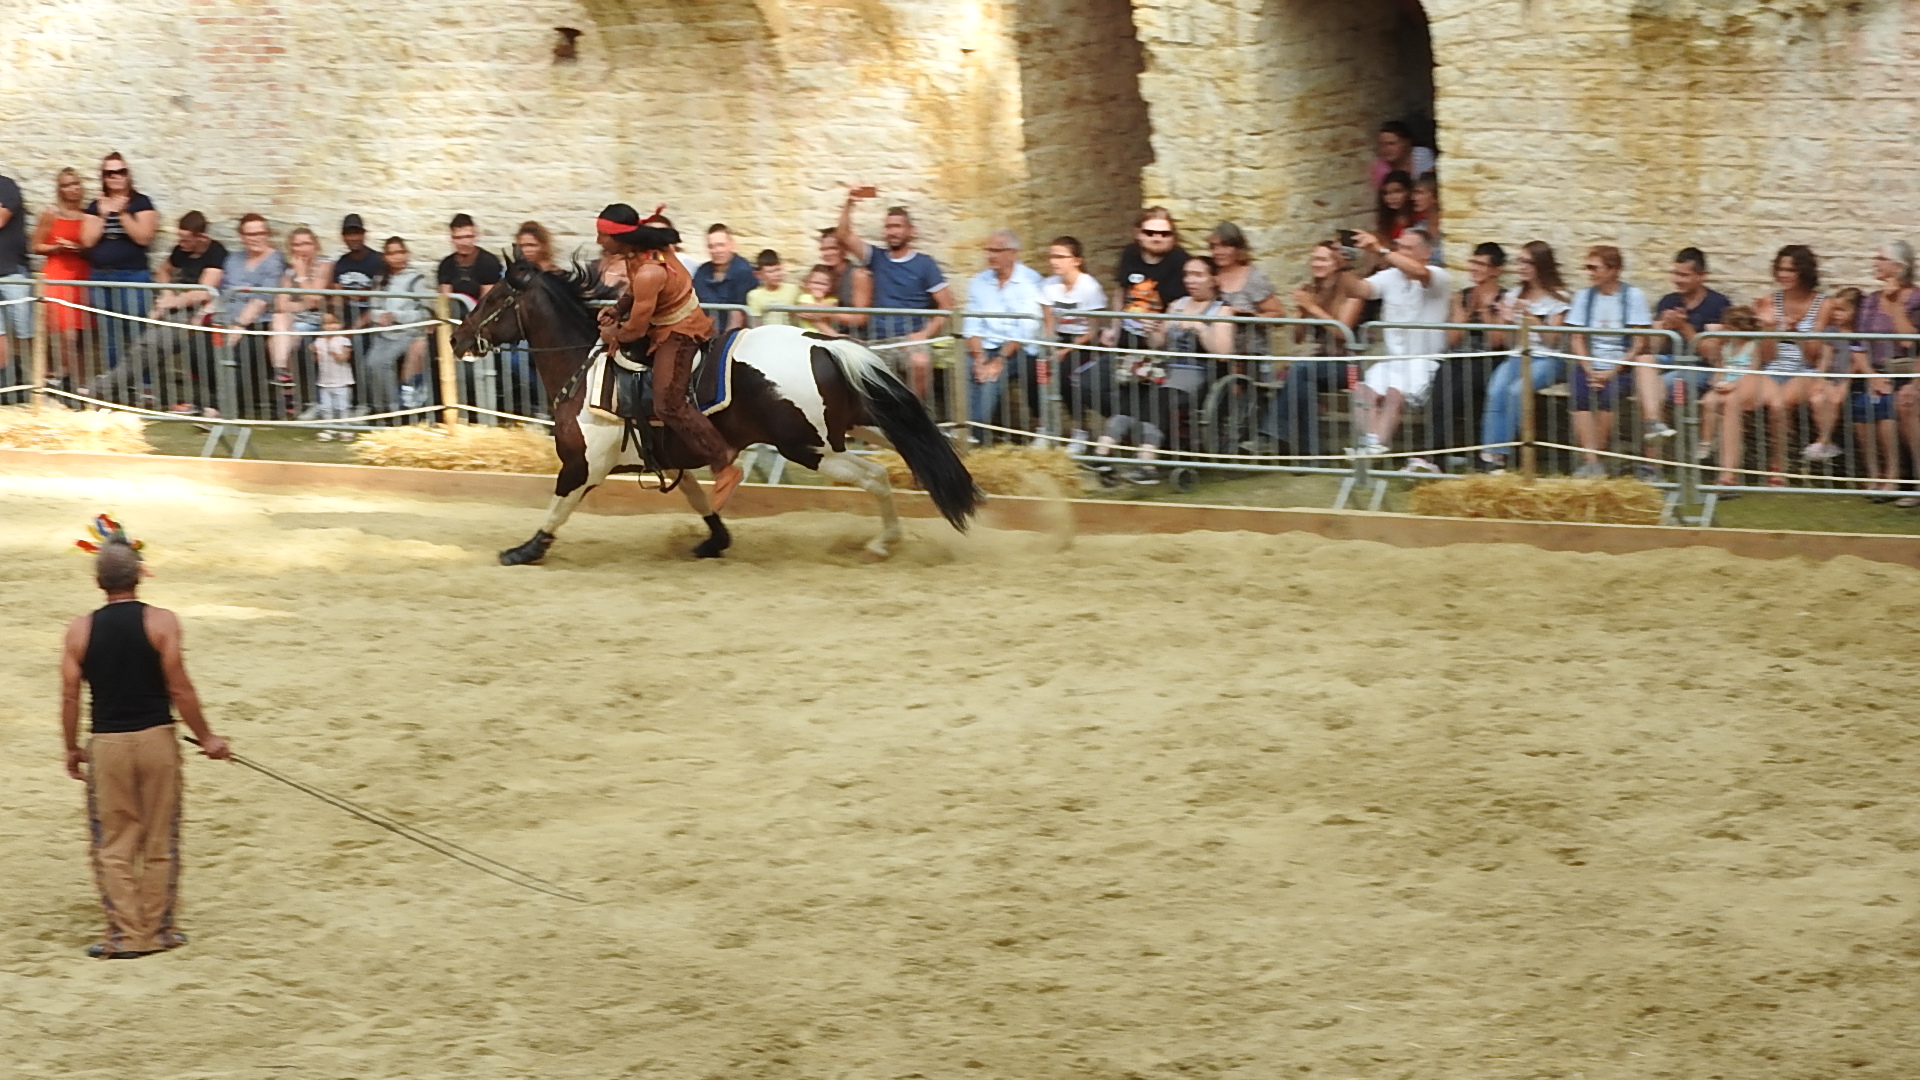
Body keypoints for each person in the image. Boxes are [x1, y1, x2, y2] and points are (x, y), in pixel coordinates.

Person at [60, 528, 231, 959]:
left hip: (108, 744)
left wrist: (71, 747)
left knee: (115, 843)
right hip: (157, 739)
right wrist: (207, 737)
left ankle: (125, 935)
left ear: (99, 582)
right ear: (140, 576)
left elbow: (69, 694)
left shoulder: (79, 630)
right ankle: (158, 932)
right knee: (160, 838)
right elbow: (181, 689)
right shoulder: (162, 622)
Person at [595, 203, 744, 509]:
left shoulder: (651, 270)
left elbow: (636, 329)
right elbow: (634, 293)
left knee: (667, 402)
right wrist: (619, 309)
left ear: (620, 237)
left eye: (603, 235)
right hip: (661, 324)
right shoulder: (637, 255)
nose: (599, 242)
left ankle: (723, 464)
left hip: (681, 331)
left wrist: (614, 334)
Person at [1096, 256, 1232, 481]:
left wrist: (1200, 328)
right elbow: (1157, 343)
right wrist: (1150, 330)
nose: (1191, 280)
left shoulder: (1222, 311)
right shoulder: (1177, 305)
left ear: (1213, 279)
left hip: (1197, 373)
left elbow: (1223, 353)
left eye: (1198, 275)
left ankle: (1147, 463)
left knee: (1160, 397)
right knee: (1133, 395)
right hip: (1167, 370)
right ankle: (1102, 452)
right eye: (1188, 274)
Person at [89, 211, 226, 412]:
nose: (181, 243)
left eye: (186, 239)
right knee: (143, 348)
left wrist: (172, 302)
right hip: (175, 309)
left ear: (201, 237)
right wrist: (167, 291)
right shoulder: (182, 250)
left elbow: (205, 292)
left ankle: (99, 391)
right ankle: (115, 392)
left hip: (198, 315)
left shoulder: (216, 253)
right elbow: (162, 271)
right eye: (179, 237)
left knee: (146, 347)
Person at [836, 191, 954, 399]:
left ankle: (914, 417)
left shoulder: (925, 264)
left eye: (898, 226)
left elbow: (946, 306)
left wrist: (923, 335)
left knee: (920, 362)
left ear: (910, 231)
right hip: (878, 340)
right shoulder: (877, 257)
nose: (892, 232)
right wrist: (849, 203)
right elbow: (844, 236)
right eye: (889, 227)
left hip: (910, 341)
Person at [1348, 225, 1452, 458]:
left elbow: (1420, 273)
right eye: (1400, 246)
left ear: (1426, 253)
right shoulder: (1389, 276)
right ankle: (1372, 444)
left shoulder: (1439, 276)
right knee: (1361, 392)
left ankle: (1372, 447)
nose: (1401, 251)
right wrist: (1344, 266)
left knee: (1395, 394)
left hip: (1424, 362)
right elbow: (1360, 289)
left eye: (1408, 247)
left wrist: (1382, 250)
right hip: (1392, 361)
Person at [1479, 240, 1571, 469]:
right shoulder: (1514, 294)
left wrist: (1529, 316)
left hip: (1548, 357)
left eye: (1526, 262)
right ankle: (1490, 457)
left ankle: (1503, 452)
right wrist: (1508, 322)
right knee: (1496, 390)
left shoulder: (1559, 297)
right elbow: (1508, 342)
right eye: (1519, 261)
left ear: (1540, 264)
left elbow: (1554, 340)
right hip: (1519, 354)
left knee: (1517, 391)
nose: (1520, 266)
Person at [1628, 248, 1731, 447]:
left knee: (1648, 389)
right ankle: (1653, 423)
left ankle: (1651, 462)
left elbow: (1713, 354)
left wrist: (1684, 327)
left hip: (1699, 368)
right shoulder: (1668, 301)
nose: (1677, 279)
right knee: (1643, 361)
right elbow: (1653, 348)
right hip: (1670, 360)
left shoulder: (1718, 304)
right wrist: (1662, 328)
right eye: (1675, 273)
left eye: (1684, 275)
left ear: (1702, 276)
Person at [1273, 240, 1366, 459]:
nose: (1317, 263)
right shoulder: (1311, 290)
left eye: (1323, 259)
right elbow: (1297, 338)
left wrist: (1311, 307)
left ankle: (1276, 433)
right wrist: (1301, 313)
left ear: (1336, 263)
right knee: (1302, 382)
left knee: (1300, 370)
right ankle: (1311, 453)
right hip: (1318, 365)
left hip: (1351, 368)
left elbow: (1343, 332)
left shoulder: (1351, 288)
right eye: (1314, 258)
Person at [1565, 245, 1652, 477]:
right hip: (1590, 362)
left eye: (1594, 268)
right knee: (1579, 395)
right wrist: (1590, 369)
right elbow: (1577, 338)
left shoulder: (1632, 296)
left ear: (1613, 270)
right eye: (1588, 267)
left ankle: (1594, 459)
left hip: (1621, 364)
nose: (1589, 272)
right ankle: (1592, 460)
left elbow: (1638, 342)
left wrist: (1612, 371)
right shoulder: (1585, 296)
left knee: (1609, 397)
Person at [1752, 245, 1836, 480]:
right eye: (1780, 269)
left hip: (1806, 371)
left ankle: (1779, 466)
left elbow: (1813, 357)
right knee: (1728, 398)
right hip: (1773, 369)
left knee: (1778, 404)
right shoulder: (1770, 301)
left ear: (1804, 272)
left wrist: (1797, 332)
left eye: (1790, 270)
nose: (1783, 275)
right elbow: (1767, 358)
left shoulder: (1823, 303)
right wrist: (1768, 328)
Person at [961, 229, 1045, 438]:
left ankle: (975, 435)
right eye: (988, 250)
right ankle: (969, 432)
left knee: (991, 378)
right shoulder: (979, 281)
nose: (991, 255)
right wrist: (979, 359)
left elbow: (1023, 331)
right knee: (966, 369)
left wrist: (998, 360)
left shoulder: (1030, 281)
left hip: (1018, 349)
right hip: (986, 346)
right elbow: (971, 324)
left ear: (1013, 253)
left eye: (997, 251)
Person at [80, 152, 160, 373]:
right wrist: (105, 215)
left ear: (128, 175)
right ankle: (114, 389)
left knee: (137, 333)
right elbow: (87, 240)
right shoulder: (95, 205)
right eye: (110, 173)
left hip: (132, 276)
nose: (116, 176)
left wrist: (122, 212)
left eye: (120, 171)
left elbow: (144, 237)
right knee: (109, 335)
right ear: (103, 177)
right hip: (101, 276)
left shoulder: (141, 202)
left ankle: (144, 387)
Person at [1433, 242, 1510, 463]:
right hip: (1460, 355)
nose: (1475, 268)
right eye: (1473, 262)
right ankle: (1433, 456)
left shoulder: (1504, 298)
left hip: (1488, 359)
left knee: (1455, 391)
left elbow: (1497, 340)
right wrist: (1465, 310)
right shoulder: (1462, 296)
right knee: (1439, 390)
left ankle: (1439, 457)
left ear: (1496, 270)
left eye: (1482, 265)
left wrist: (1485, 308)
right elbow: (1453, 338)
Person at [1039, 235, 1108, 451]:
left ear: (1076, 260)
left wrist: (1065, 351)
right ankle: (1045, 427)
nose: (1054, 261)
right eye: (1052, 256)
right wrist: (1051, 347)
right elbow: (1049, 319)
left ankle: (1080, 430)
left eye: (1060, 256)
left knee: (1066, 375)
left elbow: (1093, 328)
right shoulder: (1049, 285)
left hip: (1086, 341)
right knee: (1037, 372)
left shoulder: (1089, 287)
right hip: (1060, 338)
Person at [1865, 241, 1920, 505]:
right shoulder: (1871, 300)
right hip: (1879, 373)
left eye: (1880, 258)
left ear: (1898, 267)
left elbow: (1910, 343)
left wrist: (1895, 303)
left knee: (1905, 403)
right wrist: (1870, 376)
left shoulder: (1917, 299)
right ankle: (1888, 477)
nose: (1875, 261)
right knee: (1867, 402)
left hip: (1913, 371)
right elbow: (1858, 343)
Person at [218, 214, 288, 417]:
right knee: (199, 348)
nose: (256, 238)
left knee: (238, 352)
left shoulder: (275, 260)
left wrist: (239, 326)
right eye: (250, 234)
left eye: (260, 233)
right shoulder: (233, 259)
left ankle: (223, 410)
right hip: (225, 318)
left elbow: (262, 298)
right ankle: (212, 404)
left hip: (257, 322)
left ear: (267, 234)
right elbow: (224, 292)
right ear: (242, 236)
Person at [362, 236, 434, 421]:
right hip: (384, 332)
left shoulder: (415, 278)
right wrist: (381, 317)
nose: (397, 257)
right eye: (392, 253)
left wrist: (397, 316)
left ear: (406, 254)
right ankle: (380, 408)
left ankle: (395, 409)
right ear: (385, 257)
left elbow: (425, 311)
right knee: (370, 363)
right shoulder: (380, 279)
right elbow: (374, 308)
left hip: (407, 331)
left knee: (383, 362)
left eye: (400, 252)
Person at [32, 168, 93, 387]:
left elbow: (92, 245)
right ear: (60, 190)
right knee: (68, 336)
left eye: (75, 183)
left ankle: (79, 385)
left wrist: (78, 248)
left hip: (83, 275)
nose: (72, 189)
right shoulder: (51, 214)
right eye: (66, 185)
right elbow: (36, 245)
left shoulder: (88, 215)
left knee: (82, 338)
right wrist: (56, 248)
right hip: (58, 275)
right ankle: (71, 383)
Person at [1699, 305, 1769, 486]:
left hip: (1741, 384)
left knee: (1728, 405)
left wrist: (1734, 385)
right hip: (1726, 384)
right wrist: (1717, 383)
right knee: (1708, 401)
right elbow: (1721, 368)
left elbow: (1752, 371)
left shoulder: (1752, 347)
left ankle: (1728, 469)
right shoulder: (1727, 347)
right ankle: (1706, 442)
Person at [1108, 206, 1189, 356]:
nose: (1157, 238)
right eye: (1150, 233)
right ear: (1138, 234)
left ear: (1173, 237)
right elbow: (1120, 292)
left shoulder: (1180, 260)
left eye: (1165, 234)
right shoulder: (1130, 253)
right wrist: (1114, 328)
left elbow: (1179, 304)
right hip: (1127, 335)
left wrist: (1158, 335)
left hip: (1161, 342)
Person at [268, 226, 333, 393]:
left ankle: (284, 381)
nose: (302, 249)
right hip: (292, 321)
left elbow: (314, 301)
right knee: (279, 320)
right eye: (297, 245)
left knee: (277, 339)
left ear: (315, 245)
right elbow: (280, 304)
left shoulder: (324, 265)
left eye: (306, 244)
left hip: (316, 320)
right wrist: (303, 303)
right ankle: (283, 374)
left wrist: (302, 274)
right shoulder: (289, 271)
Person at [1207, 221, 1282, 356]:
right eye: (1213, 247)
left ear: (1238, 248)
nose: (1218, 252)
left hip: (1250, 355)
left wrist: (1248, 317)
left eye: (1224, 246)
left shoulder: (1253, 277)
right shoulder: (1209, 274)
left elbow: (1278, 315)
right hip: (1216, 353)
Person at [692, 224, 758, 332]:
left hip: (733, 338)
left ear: (732, 245)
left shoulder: (743, 271)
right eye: (711, 246)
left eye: (721, 245)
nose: (716, 250)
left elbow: (738, 315)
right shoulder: (701, 272)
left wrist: (724, 344)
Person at [437, 213, 503, 313]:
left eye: (468, 237)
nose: (464, 242)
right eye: (458, 238)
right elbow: (445, 303)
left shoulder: (489, 263)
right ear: (452, 239)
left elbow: (487, 303)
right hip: (456, 317)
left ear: (476, 236)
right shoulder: (446, 265)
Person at [0, 168, 29, 392]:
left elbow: (1, 218)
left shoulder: (6, 185)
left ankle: (35, 381)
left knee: (25, 330)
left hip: (12, 272)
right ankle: (6, 382)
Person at [814, 227, 872, 336]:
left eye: (833, 248)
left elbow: (860, 318)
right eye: (824, 249)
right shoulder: (824, 273)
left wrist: (827, 313)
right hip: (830, 336)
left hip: (857, 338)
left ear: (845, 250)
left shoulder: (859, 275)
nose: (827, 253)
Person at [312, 309, 355, 441]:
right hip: (324, 381)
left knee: (342, 407)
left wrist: (333, 353)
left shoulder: (343, 340)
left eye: (334, 323)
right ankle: (328, 429)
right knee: (326, 407)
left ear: (340, 324)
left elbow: (344, 358)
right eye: (326, 324)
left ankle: (346, 429)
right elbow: (317, 361)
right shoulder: (319, 341)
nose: (330, 327)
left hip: (341, 382)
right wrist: (314, 352)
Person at [1370, 121, 1437, 189]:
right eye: (1382, 145)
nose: (1386, 149)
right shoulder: (1380, 168)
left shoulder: (1422, 154)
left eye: (1391, 144)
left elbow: (1429, 186)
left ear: (1407, 142)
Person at [745, 249, 801, 326]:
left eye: (778, 270)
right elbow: (756, 322)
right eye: (770, 272)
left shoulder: (793, 289)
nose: (776, 275)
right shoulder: (754, 295)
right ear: (759, 275)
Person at [794, 264, 841, 334]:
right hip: (808, 334)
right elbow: (807, 312)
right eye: (815, 283)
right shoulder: (805, 297)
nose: (818, 287)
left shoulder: (832, 300)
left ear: (830, 287)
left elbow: (826, 310)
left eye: (823, 284)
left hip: (826, 336)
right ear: (807, 284)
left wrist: (817, 309)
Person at [1374, 171, 1417, 246]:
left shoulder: (1419, 216)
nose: (1392, 197)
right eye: (1386, 193)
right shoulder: (1385, 222)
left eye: (1397, 191)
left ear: (1409, 191)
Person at [1411, 175, 1444, 266]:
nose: (1414, 198)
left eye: (1420, 193)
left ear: (1435, 197)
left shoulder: (1451, 227)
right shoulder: (1417, 229)